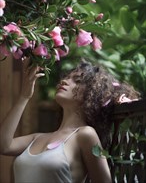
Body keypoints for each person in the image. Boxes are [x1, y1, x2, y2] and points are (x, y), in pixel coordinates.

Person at [0, 59, 140, 183]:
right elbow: (4, 146)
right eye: (67, 77)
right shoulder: (37, 137)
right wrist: (24, 96)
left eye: (77, 81)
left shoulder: (85, 134)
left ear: (92, 94)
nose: (64, 81)